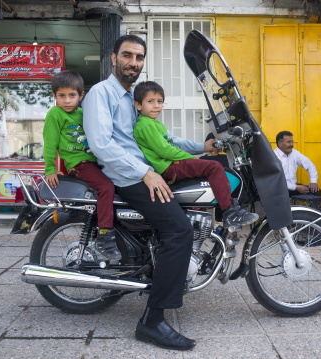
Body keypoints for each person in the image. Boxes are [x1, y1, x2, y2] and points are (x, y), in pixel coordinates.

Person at [82, 35, 212, 351]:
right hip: (127, 176)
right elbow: (102, 144)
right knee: (179, 229)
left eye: (139, 57)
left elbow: (161, 136)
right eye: (127, 55)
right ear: (113, 58)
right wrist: (146, 173)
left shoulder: (132, 97)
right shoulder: (101, 94)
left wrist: (201, 148)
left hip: (141, 171)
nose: (133, 62)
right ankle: (152, 322)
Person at [133, 81, 258, 227]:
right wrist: (190, 157)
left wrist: (203, 148)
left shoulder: (155, 123)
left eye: (160, 101)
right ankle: (229, 211)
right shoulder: (146, 125)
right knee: (214, 167)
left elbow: (174, 142)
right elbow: (165, 150)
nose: (156, 105)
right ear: (138, 105)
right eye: (150, 101)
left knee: (210, 168)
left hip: (171, 163)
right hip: (169, 166)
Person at [43, 70, 120, 260]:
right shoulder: (55, 113)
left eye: (72, 95)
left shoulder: (83, 113)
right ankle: (105, 235)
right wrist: (50, 169)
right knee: (106, 187)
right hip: (78, 164)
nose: (67, 100)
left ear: (81, 96)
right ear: (54, 96)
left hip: (94, 162)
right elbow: (50, 142)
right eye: (62, 96)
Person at [274, 131, 321, 197]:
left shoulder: (294, 153)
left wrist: (313, 182)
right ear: (280, 144)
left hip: (294, 187)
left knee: (316, 191)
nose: (292, 144)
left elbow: (310, 165)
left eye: (292, 141)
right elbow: (277, 182)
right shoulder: (274, 157)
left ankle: (313, 208)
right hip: (279, 190)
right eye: (289, 142)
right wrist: (296, 187)